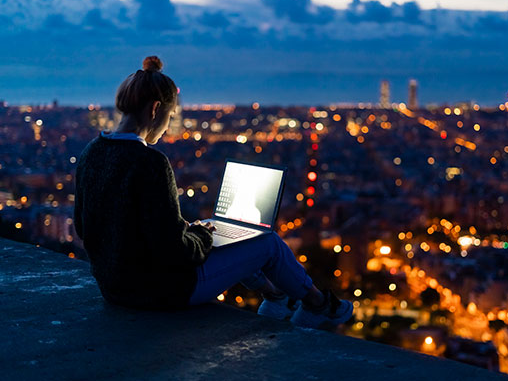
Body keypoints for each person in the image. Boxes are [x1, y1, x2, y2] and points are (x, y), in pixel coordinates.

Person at [73, 56, 353, 330]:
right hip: (160, 292)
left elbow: (84, 227)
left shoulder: (91, 152)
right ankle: (318, 305)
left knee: (233, 241)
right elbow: (177, 251)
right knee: (266, 243)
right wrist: (202, 237)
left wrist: (187, 231)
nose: (168, 127)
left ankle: (277, 298)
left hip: (114, 288)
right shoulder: (150, 163)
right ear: (156, 109)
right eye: (170, 117)